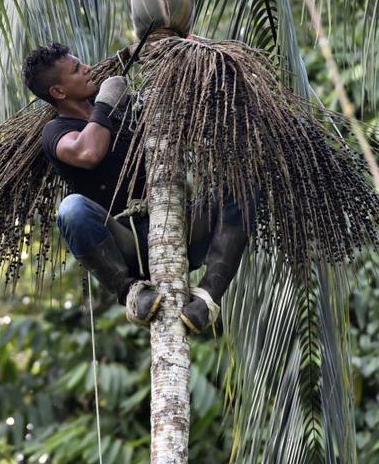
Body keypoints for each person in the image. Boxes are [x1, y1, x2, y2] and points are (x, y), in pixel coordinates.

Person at [22, 43, 248, 333]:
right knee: (71, 209)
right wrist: (105, 104)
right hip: (126, 241)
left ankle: (208, 298)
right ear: (58, 92)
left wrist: (179, 48)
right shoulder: (56, 131)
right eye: (77, 70)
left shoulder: (124, 109)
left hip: (179, 228)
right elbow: (88, 153)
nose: (88, 69)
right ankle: (131, 293)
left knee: (242, 181)